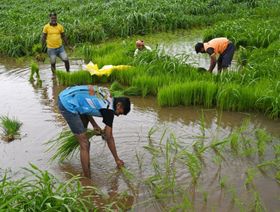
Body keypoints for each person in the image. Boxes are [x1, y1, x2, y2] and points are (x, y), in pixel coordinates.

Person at [58, 85, 131, 178]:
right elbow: (109, 138)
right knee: (85, 143)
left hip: (68, 94)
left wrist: (94, 125)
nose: (118, 115)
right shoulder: (109, 110)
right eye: (120, 113)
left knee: (83, 135)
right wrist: (117, 159)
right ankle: (87, 179)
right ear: (118, 105)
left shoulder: (107, 94)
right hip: (67, 103)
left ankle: (85, 167)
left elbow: (87, 105)